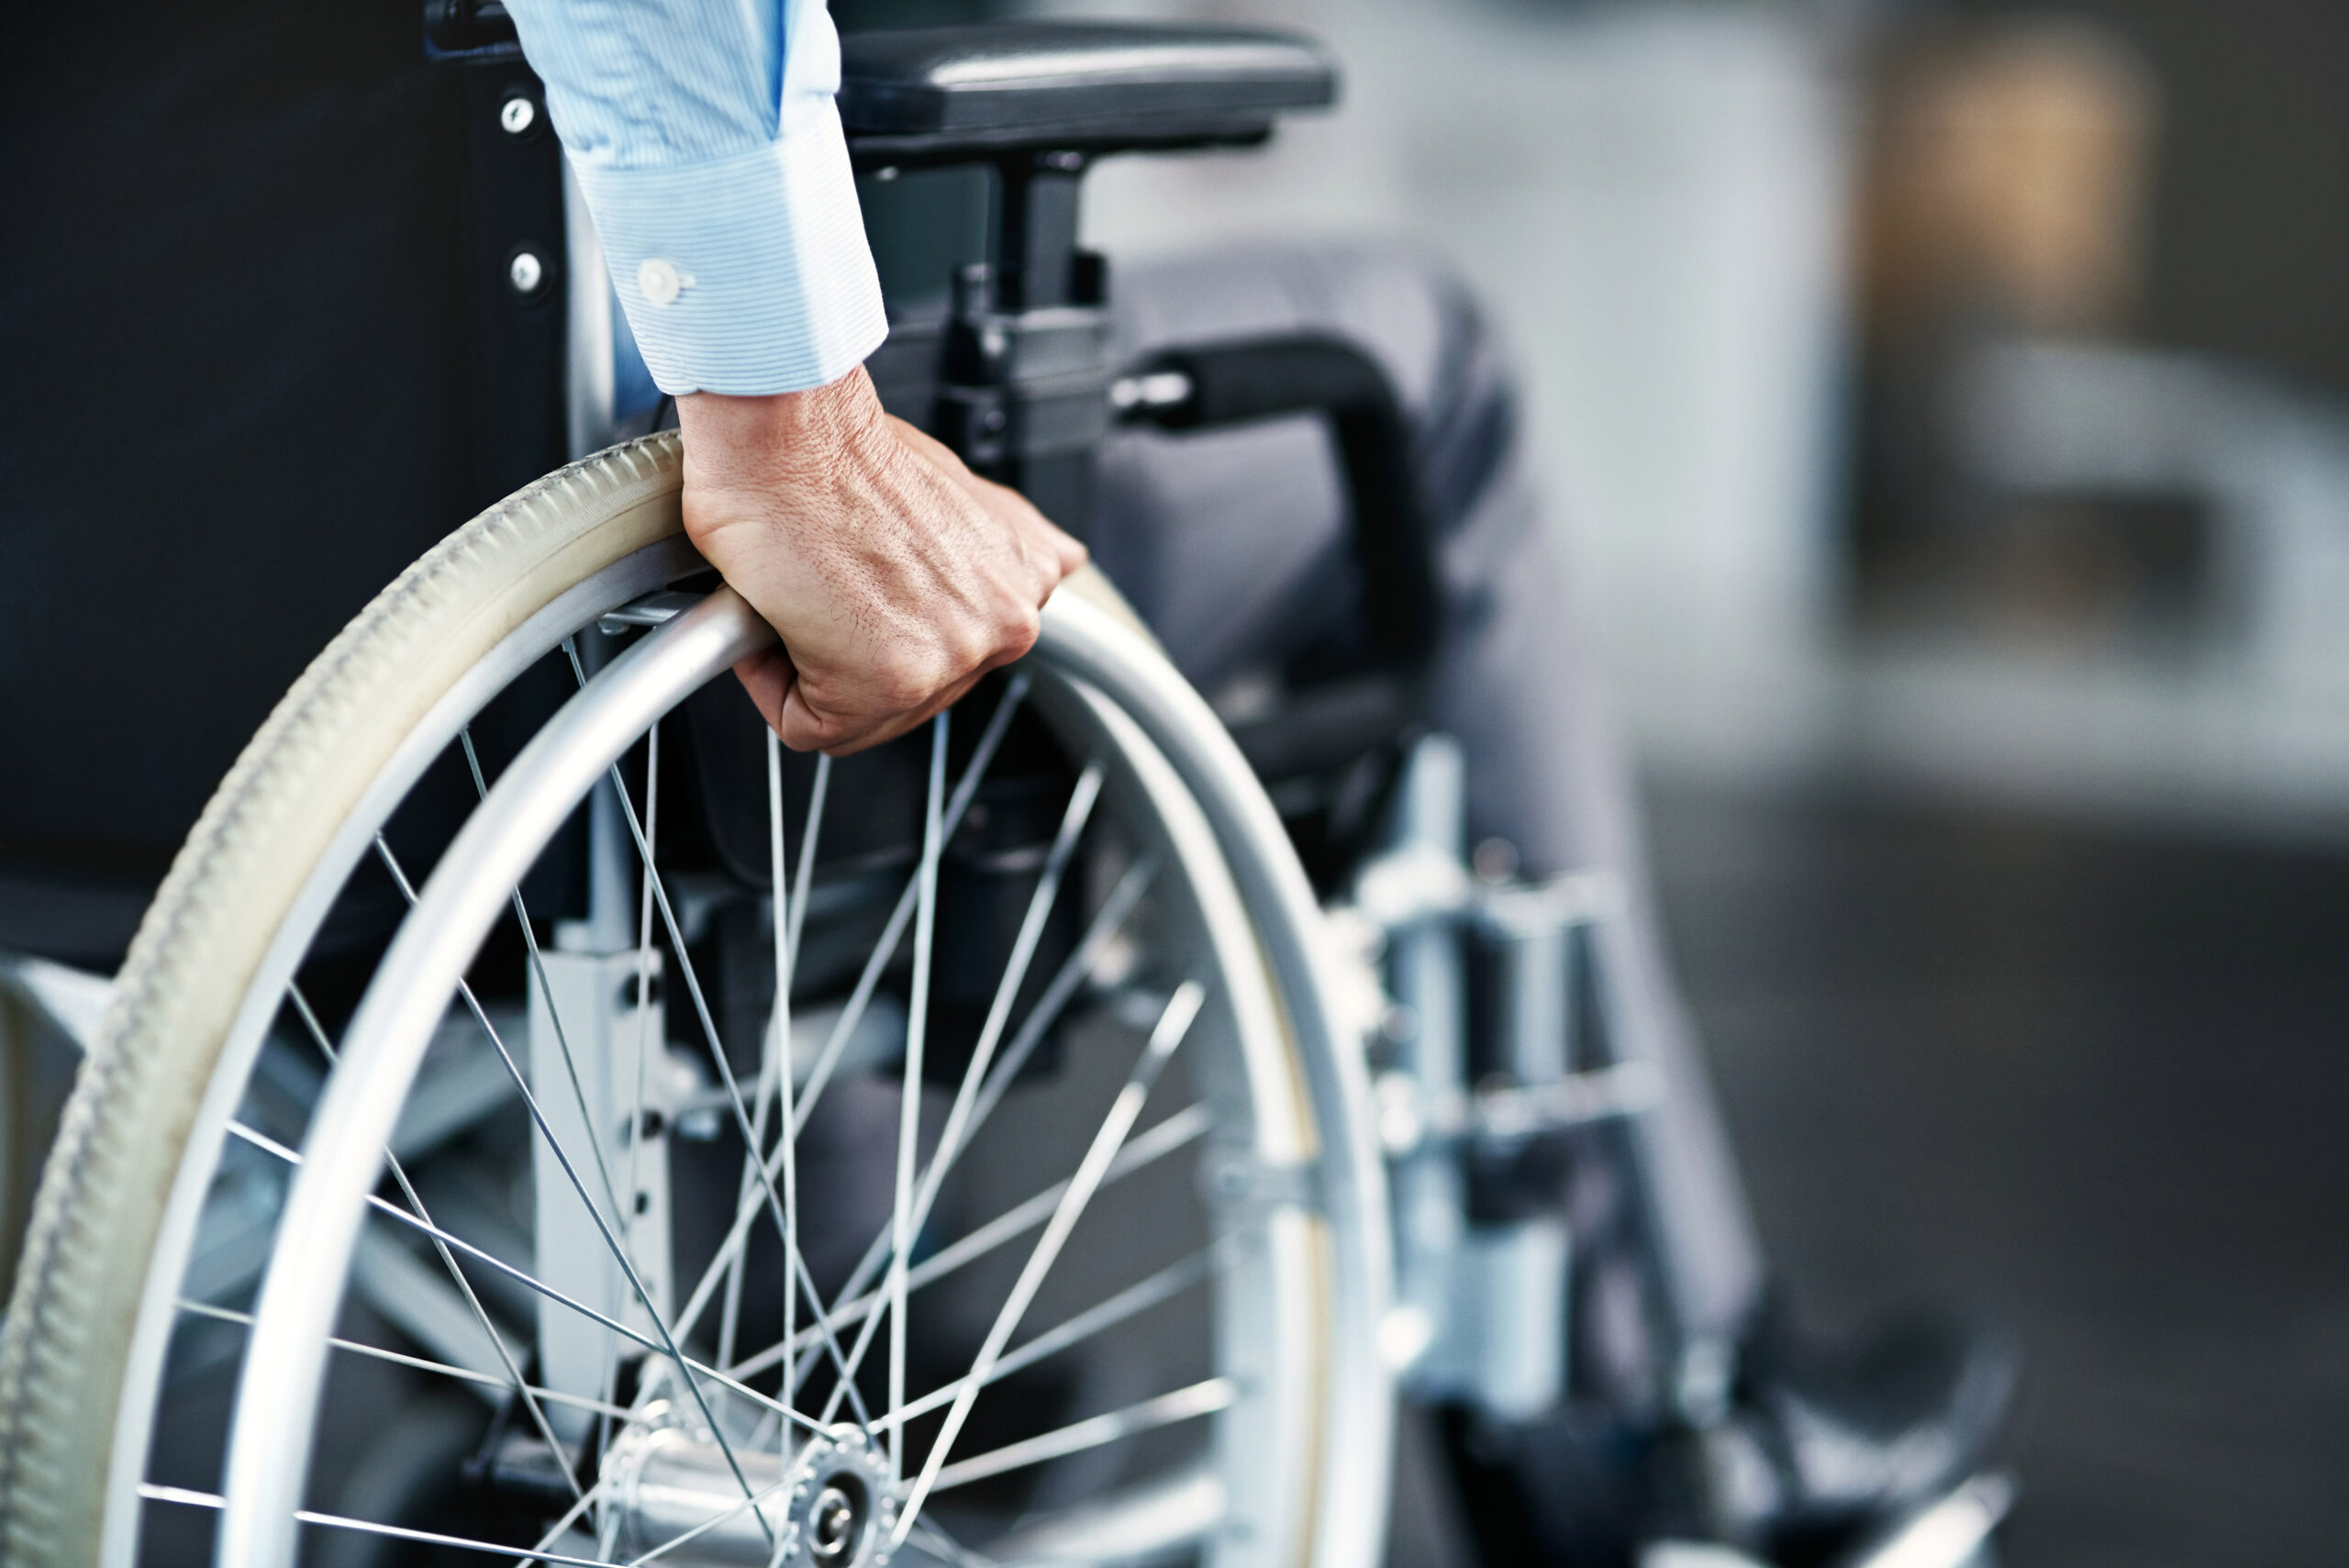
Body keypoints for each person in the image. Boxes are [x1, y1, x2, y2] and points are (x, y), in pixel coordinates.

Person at [0, 0, 2011, 1559]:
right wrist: (786, 408)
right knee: (1418, 366)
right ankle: (1672, 1418)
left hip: (87, 660)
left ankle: (838, 1299)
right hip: (480, 603)